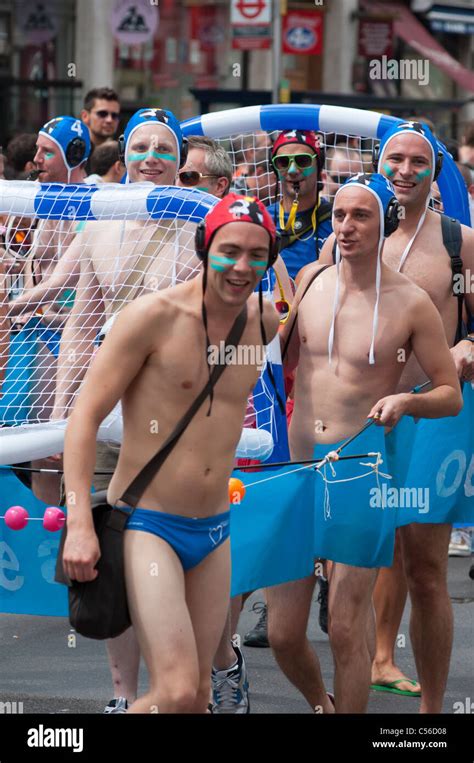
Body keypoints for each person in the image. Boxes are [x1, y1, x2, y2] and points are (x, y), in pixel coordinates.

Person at [61, 194, 281, 714]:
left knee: (198, 695)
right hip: (149, 525)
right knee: (177, 693)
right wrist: (79, 523)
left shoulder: (264, 321)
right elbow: (83, 419)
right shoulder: (150, 318)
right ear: (205, 247)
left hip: (214, 531)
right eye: (229, 251)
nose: (241, 266)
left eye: (257, 255)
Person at [268, 172, 462, 713]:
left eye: (361, 216)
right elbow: (274, 360)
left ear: (385, 223)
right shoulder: (308, 280)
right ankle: (322, 705)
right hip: (299, 470)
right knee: (283, 633)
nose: (347, 227)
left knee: (344, 627)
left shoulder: (411, 302)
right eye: (339, 216)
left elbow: (450, 395)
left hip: (361, 475)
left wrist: (406, 402)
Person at [320, 120, 474, 710]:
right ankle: (364, 673)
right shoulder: (351, 233)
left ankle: (433, 712)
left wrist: (468, 346)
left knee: (427, 568)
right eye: (394, 161)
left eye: (418, 161)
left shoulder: (458, 241)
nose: (404, 171)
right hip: (357, 420)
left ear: (436, 171)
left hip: (432, 416)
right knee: (356, 561)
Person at [266, 130, 332, 281]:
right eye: (283, 162)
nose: (292, 170)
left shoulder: (338, 220)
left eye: (302, 161)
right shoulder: (261, 219)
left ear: (319, 165)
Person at [80, 87, 121, 172]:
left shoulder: (122, 155)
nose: (109, 120)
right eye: (102, 114)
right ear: (85, 116)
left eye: (114, 115)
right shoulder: (75, 154)